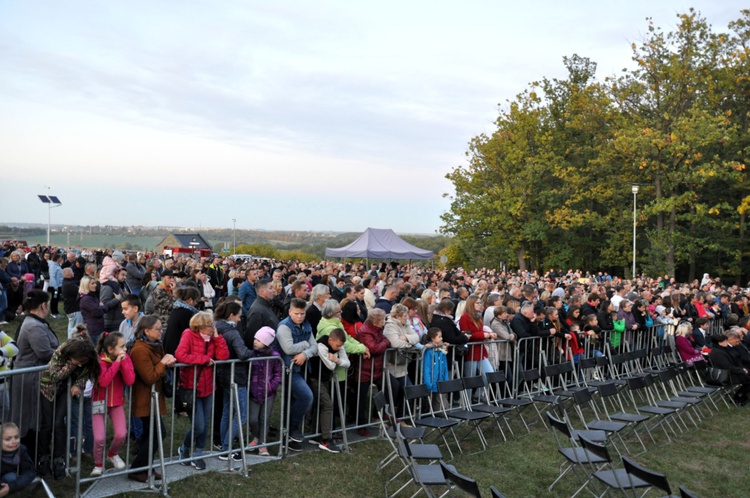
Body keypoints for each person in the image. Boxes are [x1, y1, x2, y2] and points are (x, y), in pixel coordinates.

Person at [38, 333, 100, 480]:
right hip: (49, 388)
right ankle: (43, 458)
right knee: (47, 424)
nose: (80, 364)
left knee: (59, 423)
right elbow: (54, 375)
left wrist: (79, 384)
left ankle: (59, 460)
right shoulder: (61, 351)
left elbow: (86, 372)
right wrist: (71, 365)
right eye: (78, 361)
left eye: (81, 362)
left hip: (66, 389)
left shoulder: (87, 356)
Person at [10, 291, 59, 465]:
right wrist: (65, 354)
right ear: (43, 305)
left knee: (31, 419)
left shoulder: (34, 322)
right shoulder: (34, 326)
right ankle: (27, 459)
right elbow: (45, 353)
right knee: (29, 420)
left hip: (30, 377)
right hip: (29, 379)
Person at [175, 311, 229, 470]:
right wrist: (204, 360)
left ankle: (198, 454)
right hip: (191, 387)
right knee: (198, 425)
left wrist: (218, 338)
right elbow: (181, 355)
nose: (213, 327)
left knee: (205, 424)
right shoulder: (188, 335)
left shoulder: (213, 338)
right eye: (210, 325)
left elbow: (223, 356)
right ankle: (184, 448)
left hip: (209, 387)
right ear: (200, 326)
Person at [129, 315, 175, 483]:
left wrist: (165, 361)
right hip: (145, 399)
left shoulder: (154, 346)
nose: (161, 331)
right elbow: (149, 376)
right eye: (158, 328)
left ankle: (146, 467)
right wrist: (163, 362)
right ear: (147, 331)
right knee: (158, 433)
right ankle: (137, 468)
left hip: (154, 398)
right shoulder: (139, 350)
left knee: (153, 434)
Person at [90, 332, 135, 476]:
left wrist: (124, 362)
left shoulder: (125, 358)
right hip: (99, 402)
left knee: (121, 434)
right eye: (122, 347)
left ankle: (112, 454)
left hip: (116, 402)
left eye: (125, 346)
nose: (125, 349)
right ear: (110, 349)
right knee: (99, 438)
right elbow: (103, 381)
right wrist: (116, 364)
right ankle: (98, 464)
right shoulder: (100, 361)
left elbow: (130, 380)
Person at [275, 298, 316, 452]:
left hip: (302, 368)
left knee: (294, 401)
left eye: (302, 313)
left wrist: (305, 353)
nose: (300, 316)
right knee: (306, 396)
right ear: (290, 312)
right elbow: (289, 349)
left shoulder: (306, 325)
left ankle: (290, 436)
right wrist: (306, 346)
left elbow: (315, 346)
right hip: (288, 369)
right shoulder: (284, 327)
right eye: (297, 313)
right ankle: (291, 429)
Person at [214, 301, 251, 461]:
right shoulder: (232, 333)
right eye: (238, 316)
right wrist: (255, 352)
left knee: (227, 411)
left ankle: (224, 445)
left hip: (223, 375)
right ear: (231, 316)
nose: (240, 319)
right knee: (241, 414)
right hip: (236, 376)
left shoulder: (217, 327)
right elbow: (242, 353)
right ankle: (227, 447)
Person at [308, 327, 349, 453]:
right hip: (315, 379)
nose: (339, 348)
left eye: (341, 346)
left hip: (324, 379)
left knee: (322, 405)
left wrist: (336, 359)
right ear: (330, 340)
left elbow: (347, 363)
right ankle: (325, 439)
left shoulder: (337, 346)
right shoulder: (321, 345)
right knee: (328, 405)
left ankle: (316, 434)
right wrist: (338, 360)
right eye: (337, 345)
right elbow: (330, 365)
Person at [247, 326, 282, 457]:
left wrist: (271, 386)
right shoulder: (251, 354)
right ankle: (256, 437)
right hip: (254, 392)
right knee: (253, 419)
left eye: (259, 340)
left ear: (267, 342)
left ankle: (263, 444)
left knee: (264, 419)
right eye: (255, 339)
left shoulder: (275, 356)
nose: (255, 341)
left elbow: (278, 374)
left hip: (268, 393)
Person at [355, 308, 390, 436]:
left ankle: (379, 414)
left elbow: (384, 341)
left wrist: (384, 342)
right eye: (382, 320)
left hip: (377, 369)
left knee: (391, 386)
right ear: (375, 321)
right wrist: (385, 342)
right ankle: (361, 425)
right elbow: (374, 348)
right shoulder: (365, 331)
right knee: (361, 399)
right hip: (364, 369)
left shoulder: (378, 330)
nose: (384, 322)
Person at [383, 304, 419, 419]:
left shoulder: (406, 324)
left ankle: (401, 417)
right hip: (391, 367)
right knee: (391, 394)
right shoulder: (390, 326)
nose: (407, 318)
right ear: (398, 316)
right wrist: (409, 344)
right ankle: (385, 416)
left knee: (409, 390)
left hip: (403, 367)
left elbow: (416, 337)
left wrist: (406, 338)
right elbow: (395, 343)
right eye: (404, 316)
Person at [708, 331, 750, 405]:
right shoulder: (718, 353)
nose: (727, 342)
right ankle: (737, 397)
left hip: (732, 372)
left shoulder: (723, 349)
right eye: (725, 341)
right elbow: (727, 366)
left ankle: (741, 395)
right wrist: (741, 370)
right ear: (720, 343)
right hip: (726, 376)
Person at [79, 275, 119, 346]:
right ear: (86, 285)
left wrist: (101, 306)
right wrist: (115, 301)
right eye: (92, 283)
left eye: (95, 283)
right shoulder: (86, 299)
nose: (95, 285)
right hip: (93, 330)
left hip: (97, 328)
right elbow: (98, 311)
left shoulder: (92, 297)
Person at [0, 422, 36, 495]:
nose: (14, 441)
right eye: (8, 439)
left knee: (11, 477)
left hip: (9, 482)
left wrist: (10, 487)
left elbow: (30, 472)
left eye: (16, 437)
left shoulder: (22, 450)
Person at [244, 280, 280, 347]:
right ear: (262, 292)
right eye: (270, 288)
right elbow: (251, 337)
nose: (274, 291)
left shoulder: (266, 305)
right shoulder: (257, 311)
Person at [421, 328, 449, 408]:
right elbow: (426, 368)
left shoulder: (441, 350)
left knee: (439, 400)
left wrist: (446, 379)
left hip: (440, 381)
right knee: (431, 401)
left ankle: (440, 412)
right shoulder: (429, 351)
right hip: (432, 382)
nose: (442, 338)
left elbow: (445, 366)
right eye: (439, 337)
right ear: (433, 338)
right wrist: (428, 383)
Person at [61, 268, 82, 337]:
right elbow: (80, 291)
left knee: (71, 327)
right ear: (68, 274)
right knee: (76, 327)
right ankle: (72, 342)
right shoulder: (69, 285)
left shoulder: (67, 283)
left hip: (70, 309)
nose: (73, 273)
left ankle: (70, 341)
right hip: (74, 309)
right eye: (72, 272)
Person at [47, 253, 63, 318]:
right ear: (58, 258)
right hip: (55, 286)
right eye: (60, 258)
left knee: (57, 299)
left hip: (59, 285)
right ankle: (53, 312)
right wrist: (55, 286)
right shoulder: (53, 266)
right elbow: (52, 277)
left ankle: (56, 312)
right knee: (54, 299)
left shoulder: (57, 265)